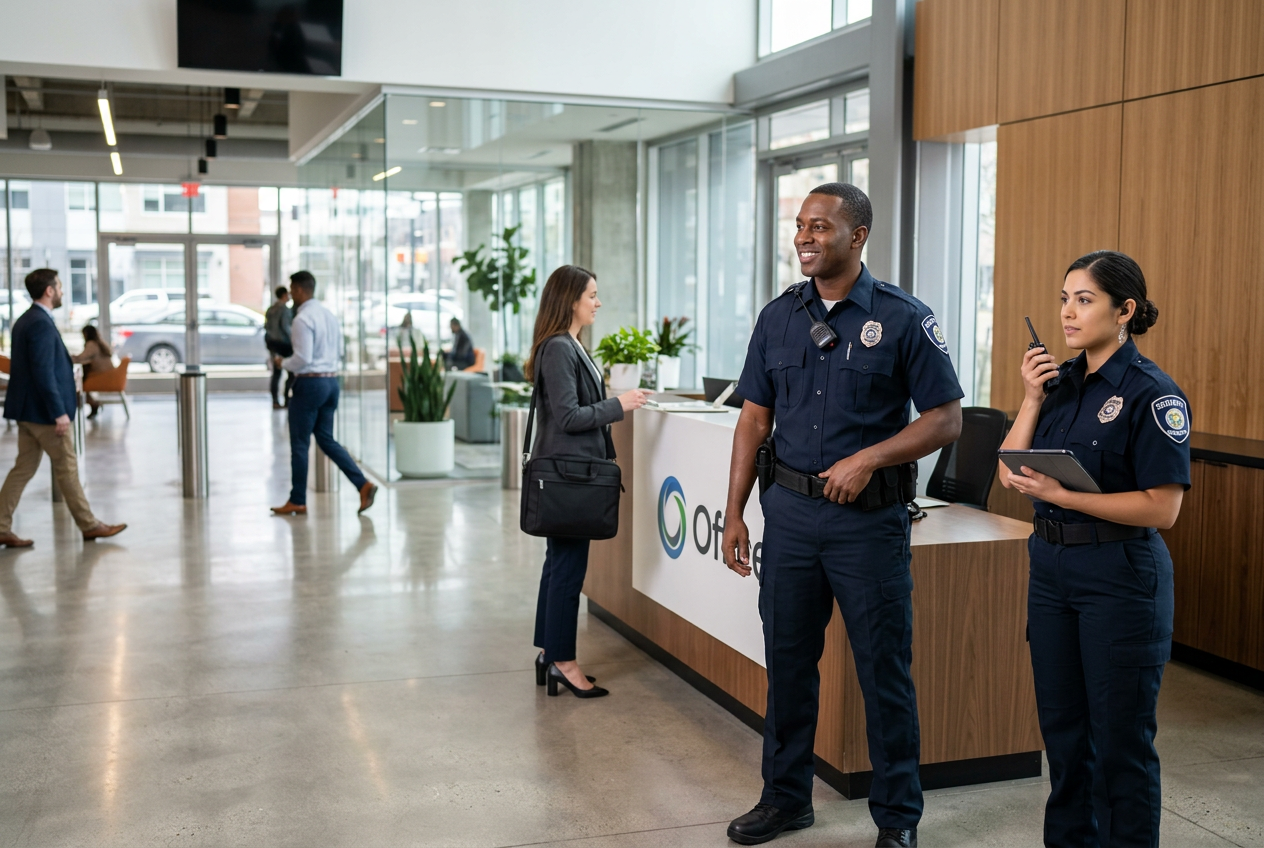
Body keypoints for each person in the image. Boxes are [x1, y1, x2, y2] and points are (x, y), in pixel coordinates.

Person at [721, 184, 963, 848]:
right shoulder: (778, 317)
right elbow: (753, 417)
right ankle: (785, 799)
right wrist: (735, 511)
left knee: (884, 669)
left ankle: (897, 819)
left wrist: (870, 459)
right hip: (791, 518)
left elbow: (946, 419)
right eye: (800, 225)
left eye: (819, 226)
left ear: (857, 237)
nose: (804, 236)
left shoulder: (905, 318)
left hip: (868, 526)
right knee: (789, 663)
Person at [998, 251, 1188, 848]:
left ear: (1124, 310)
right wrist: (1030, 398)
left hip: (1120, 575)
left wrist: (1065, 495)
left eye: (1084, 300)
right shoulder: (1060, 384)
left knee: (1120, 745)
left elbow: (1163, 507)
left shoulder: (1152, 393)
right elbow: (1009, 472)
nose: (1068, 313)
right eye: (1063, 298)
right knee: (1065, 735)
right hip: (1053, 569)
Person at [524, 265, 650, 699]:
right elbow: (569, 416)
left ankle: (549, 652)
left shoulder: (570, 345)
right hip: (570, 475)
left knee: (558, 566)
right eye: (592, 295)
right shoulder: (559, 347)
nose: (598, 302)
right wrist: (619, 404)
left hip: (570, 475)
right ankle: (563, 661)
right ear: (570, 300)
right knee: (567, 570)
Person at [0, 269, 127, 547]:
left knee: (23, 468)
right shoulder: (41, 324)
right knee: (67, 467)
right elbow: (43, 372)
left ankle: (1, 526)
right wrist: (59, 412)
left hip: (27, 411)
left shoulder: (26, 320)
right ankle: (89, 525)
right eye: (58, 286)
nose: (61, 291)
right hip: (44, 413)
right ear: (49, 290)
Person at [270, 271, 378, 517]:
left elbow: (303, 359)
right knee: (327, 439)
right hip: (331, 383)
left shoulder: (302, 319)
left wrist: (281, 363)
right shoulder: (329, 316)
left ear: (298, 290)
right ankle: (363, 484)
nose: (291, 295)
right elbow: (339, 351)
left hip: (309, 385)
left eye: (292, 290)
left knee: (299, 443)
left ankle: (297, 500)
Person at [71, 325, 114, 419]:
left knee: (77, 387)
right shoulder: (100, 343)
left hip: (100, 375)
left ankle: (92, 404)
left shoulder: (92, 344)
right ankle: (93, 404)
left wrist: (69, 357)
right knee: (80, 383)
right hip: (108, 374)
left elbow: (82, 357)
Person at [265, 285, 295, 409]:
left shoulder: (271, 309)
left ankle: (275, 401)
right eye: (287, 294)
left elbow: (267, 327)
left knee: (276, 373)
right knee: (291, 372)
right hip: (284, 344)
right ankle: (287, 399)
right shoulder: (284, 309)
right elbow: (286, 327)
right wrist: (294, 339)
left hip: (272, 344)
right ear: (283, 295)